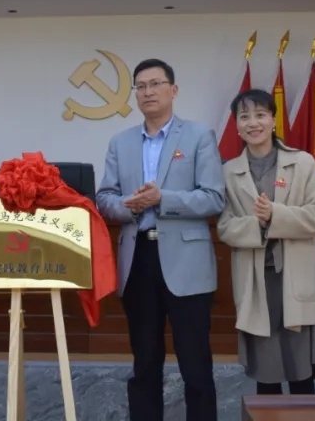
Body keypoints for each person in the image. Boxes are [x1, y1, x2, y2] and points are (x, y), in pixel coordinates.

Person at [95, 58, 225, 421]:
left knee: (195, 365)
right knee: (145, 362)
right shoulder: (120, 142)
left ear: (173, 90)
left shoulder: (199, 136)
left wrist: (162, 198)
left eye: (155, 84)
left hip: (187, 262)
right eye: (141, 86)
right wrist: (130, 206)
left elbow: (214, 198)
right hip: (138, 259)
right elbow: (105, 198)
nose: (148, 92)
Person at [216, 89, 315, 396]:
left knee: (300, 370)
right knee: (266, 373)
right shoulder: (228, 172)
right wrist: (258, 223)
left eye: (260, 115)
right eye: (244, 117)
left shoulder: (302, 163)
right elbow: (224, 226)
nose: (253, 123)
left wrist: (275, 215)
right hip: (256, 279)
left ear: (274, 120)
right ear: (237, 126)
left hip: (296, 275)